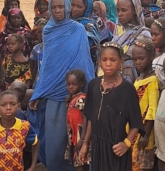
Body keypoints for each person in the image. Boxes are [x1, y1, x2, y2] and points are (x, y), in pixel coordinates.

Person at [28, 0, 95, 170]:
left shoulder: (78, 29)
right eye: (54, 7)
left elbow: (84, 61)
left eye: (61, 6)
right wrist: (39, 92)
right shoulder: (48, 31)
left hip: (76, 96)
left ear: (67, 7)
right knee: (55, 142)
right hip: (54, 97)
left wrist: (89, 89)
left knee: (76, 141)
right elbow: (47, 66)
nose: (58, 10)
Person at [79, 42, 144, 171]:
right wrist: (85, 143)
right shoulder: (93, 85)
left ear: (121, 62)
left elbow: (136, 123)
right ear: (99, 62)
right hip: (97, 146)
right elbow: (92, 117)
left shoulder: (127, 89)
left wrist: (126, 144)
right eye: (104, 60)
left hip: (116, 149)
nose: (108, 63)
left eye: (113, 60)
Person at [132, 38, 159, 171]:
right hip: (135, 130)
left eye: (141, 58)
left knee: (143, 166)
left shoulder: (152, 80)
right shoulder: (140, 78)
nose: (138, 62)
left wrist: (146, 134)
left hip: (144, 132)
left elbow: (152, 109)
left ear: (152, 56)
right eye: (135, 59)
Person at [112, 0, 151, 83]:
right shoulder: (118, 32)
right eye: (118, 10)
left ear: (134, 10)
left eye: (124, 10)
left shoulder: (144, 34)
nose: (120, 14)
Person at [0, 91, 39, 171]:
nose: (8, 107)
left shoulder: (24, 127)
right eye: (3, 105)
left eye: (13, 104)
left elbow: (36, 143)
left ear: (18, 106)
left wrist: (33, 165)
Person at [63, 69, 89, 171]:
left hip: (80, 135)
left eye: (74, 84)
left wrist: (82, 138)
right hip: (75, 135)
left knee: (80, 162)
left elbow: (85, 117)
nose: (70, 87)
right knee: (79, 161)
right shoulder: (73, 99)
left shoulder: (81, 99)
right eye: (68, 84)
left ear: (81, 84)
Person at [71, 0, 100, 72]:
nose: (74, 9)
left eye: (79, 7)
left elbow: (89, 51)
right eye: (72, 5)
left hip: (85, 67)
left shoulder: (90, 26)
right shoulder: (68, 22)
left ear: (87, 8)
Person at [30, 19, 46, 88]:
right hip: (38, 83)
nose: (41, 34)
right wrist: (31, 84)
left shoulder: (56, 49)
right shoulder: (36, 49)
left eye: (44, 32)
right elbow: (33, 68)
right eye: (39, 32)